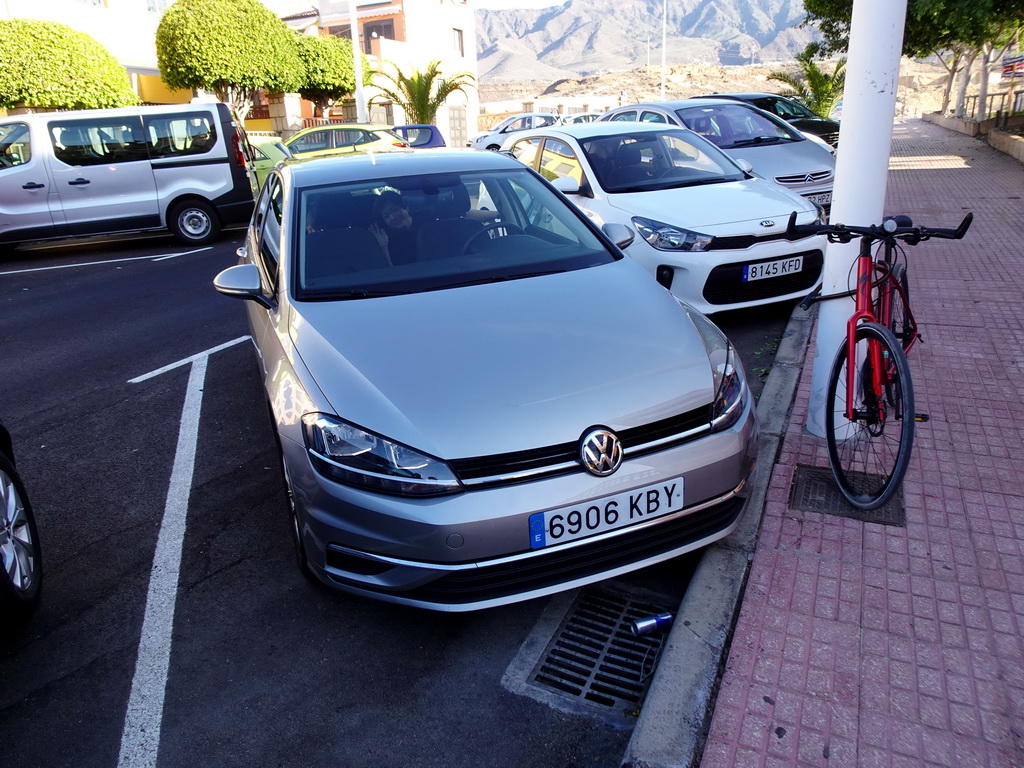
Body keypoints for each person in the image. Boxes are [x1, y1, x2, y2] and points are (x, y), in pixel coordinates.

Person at [370, 190, 421, 265]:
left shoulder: (427, 226)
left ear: (406, 207)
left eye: (394, 210)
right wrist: (384, 248)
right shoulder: (389, 242)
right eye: (386, 216)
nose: (392, 217)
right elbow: (392, 273)